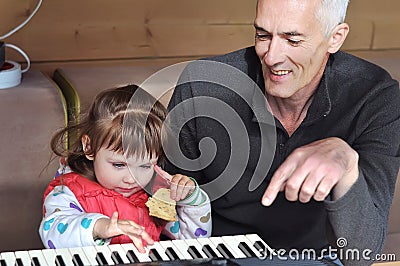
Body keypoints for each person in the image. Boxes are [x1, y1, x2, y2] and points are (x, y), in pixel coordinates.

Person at [165, 0, 400, 265]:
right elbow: (164, 210)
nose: (271, 56)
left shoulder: (375, 97)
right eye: (263, 35)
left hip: (318, 258)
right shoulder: (204, 84)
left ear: (335, 38)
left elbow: (362, 254)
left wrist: (346, 163)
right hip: (216, 256)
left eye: (292, 40)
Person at [39, 85, 211, 252]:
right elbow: (52, 234)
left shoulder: (155, 193)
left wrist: (191, 200)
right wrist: (100, 227)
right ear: (89, 147)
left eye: (145, 166)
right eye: (119, 165)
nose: (131, 179)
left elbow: (193, 243)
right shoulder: (69, 191)